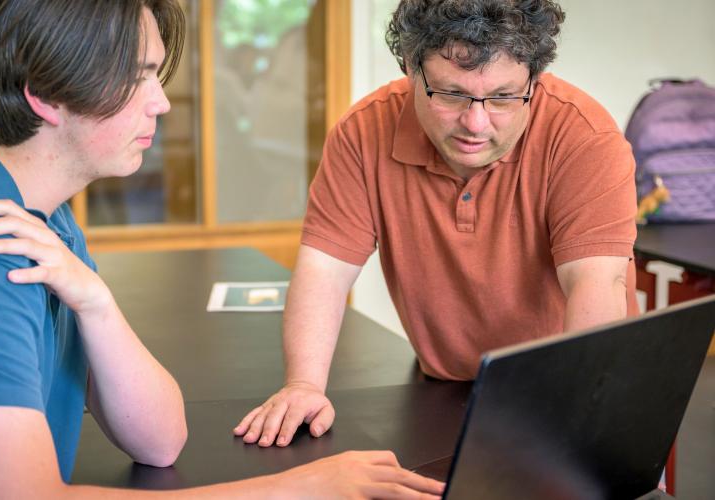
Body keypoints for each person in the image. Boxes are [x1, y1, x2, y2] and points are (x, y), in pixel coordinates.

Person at [0, 1, 444, 498]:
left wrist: (95, 301)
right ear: (46, 94)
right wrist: (298, 489)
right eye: (139, 77)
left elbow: (161, 440)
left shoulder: (42, 216)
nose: (161, 103)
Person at [235, 0, 639, 448]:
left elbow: (596, 283)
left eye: (504, 97)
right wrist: (304, 386)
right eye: (451, 94)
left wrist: (577, 409)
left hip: (578, 385)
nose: (476, 123)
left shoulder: (584, 137)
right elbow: (324, 271)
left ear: (534, 78)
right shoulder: (363, 132)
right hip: (446, 387)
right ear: (411, 68)